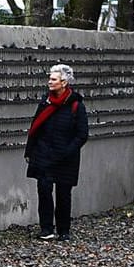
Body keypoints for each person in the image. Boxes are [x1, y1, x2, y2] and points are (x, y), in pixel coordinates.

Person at [25, 63, 89, 241]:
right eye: (50, 78)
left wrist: (68, 151)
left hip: (65, 158)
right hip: (44, 155)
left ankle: (63, 230)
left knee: (63, 193)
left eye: (53, 79)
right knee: (44, 190)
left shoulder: (76, 106)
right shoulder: (45, 102)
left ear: (64, 82)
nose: (49, 82)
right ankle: (46, 228)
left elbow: (82, 134)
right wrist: (30, 151)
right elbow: (35, 127)